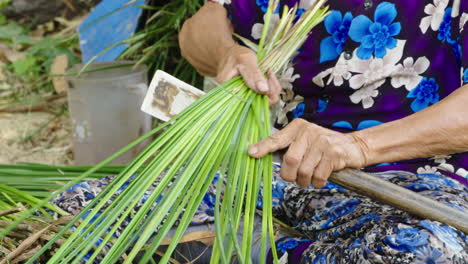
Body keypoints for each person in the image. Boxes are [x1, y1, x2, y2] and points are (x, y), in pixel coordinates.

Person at [54, 0, 468, 263]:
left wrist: (357, 146)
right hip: (269, 169)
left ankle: (234, 249)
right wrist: (226, 53)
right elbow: (202, 25)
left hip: (412, 182)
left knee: (425, 252)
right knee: (76, 211)